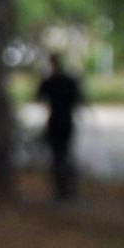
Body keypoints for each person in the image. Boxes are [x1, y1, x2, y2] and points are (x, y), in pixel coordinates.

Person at [37, 56, 87, 203]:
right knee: (66, 153)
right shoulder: (70, 81)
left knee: (57, 155)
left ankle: (61, 188)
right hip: (67, 121)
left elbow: (38, 98)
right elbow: (79, 99)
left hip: (54, 121)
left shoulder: (48, 81)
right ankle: (69, 187)